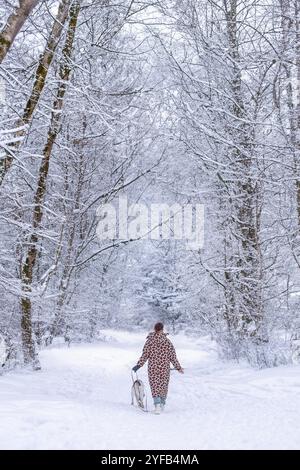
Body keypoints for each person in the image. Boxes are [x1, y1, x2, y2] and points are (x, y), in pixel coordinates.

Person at [132, 322, 184, 414]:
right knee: (163, 386)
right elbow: (173, 357)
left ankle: (157, 406)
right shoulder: (167, 342)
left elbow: (144, 355)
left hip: (153, 368)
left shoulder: (149, 341)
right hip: (165, 368)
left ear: (154, 329)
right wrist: (178, 367)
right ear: (162, 329)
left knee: (155, 386)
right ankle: (162, 404)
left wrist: (138, 365)